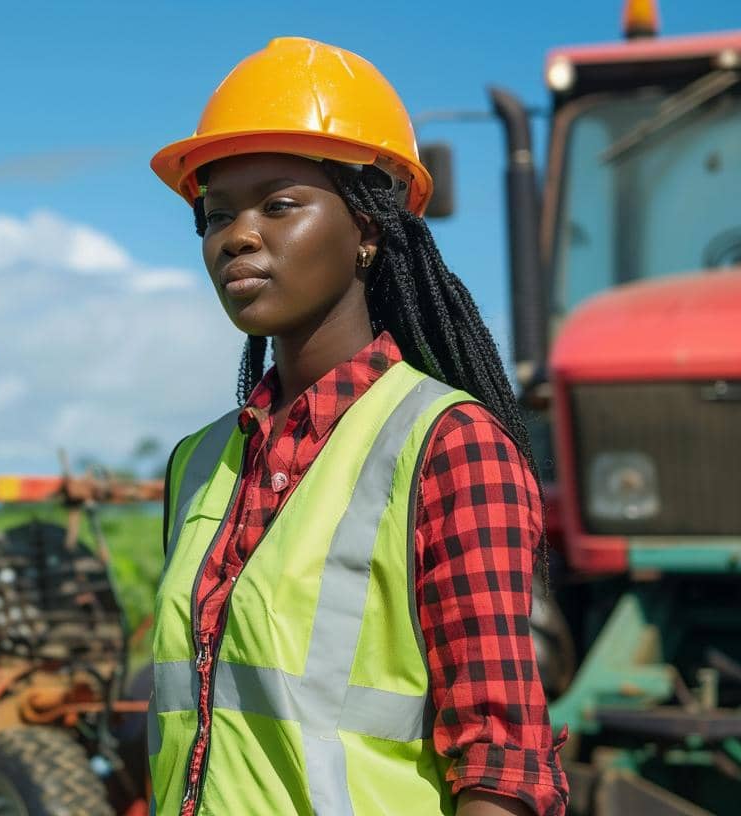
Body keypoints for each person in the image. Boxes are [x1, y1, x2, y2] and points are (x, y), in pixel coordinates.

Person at [145, 38, 568, 816]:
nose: (236, 235)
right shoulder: (198, 464)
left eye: (279, 205)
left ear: (369, 230)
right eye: (216, 215)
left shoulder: (447, 446)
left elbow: (503, 767)